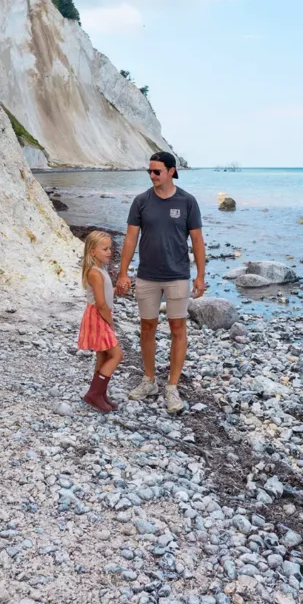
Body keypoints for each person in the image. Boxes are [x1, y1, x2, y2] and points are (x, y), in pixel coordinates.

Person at [116, 151, 205, 414]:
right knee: (147, 327)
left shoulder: (187, 201)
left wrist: (200, 275)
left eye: (157, 171)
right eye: (150, 172)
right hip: (147, 276)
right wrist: (123, 273)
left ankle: (172, 386)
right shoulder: (141, 201)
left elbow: (197, 240)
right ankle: (149, 380)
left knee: (178, 329)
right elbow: (131, 238)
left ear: (171, 171)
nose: (152, 176)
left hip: (178, 276)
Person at [77, 230, 123, 412]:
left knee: (103, 355)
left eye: (109, 248)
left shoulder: (100, 270)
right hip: (98, 316)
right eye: (105, 249)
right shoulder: (94, 273)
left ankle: (99, 393)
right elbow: (101, 303)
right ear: (92, 251)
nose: (109, 252)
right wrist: (109, 322)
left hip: (98, 314)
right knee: (117, 354)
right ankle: (94, 394)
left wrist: (116, 290)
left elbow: (105, 294)